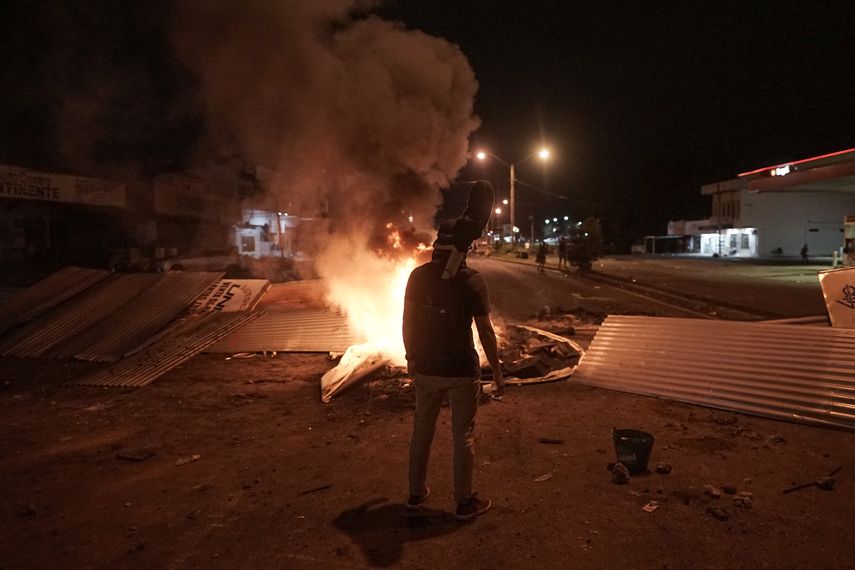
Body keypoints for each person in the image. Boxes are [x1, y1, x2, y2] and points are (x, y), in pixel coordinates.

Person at [402, 221, 504, 521]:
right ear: (464, 247)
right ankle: (463, 502)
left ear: (436, 246)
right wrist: (497, 371)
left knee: (422, 430)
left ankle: (415, 494)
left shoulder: (417, 276)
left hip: (427, 370)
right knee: (463, 436)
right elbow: (485, 330)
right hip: (462, 371)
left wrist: (411, 356)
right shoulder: (471, 280)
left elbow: (408, 321)